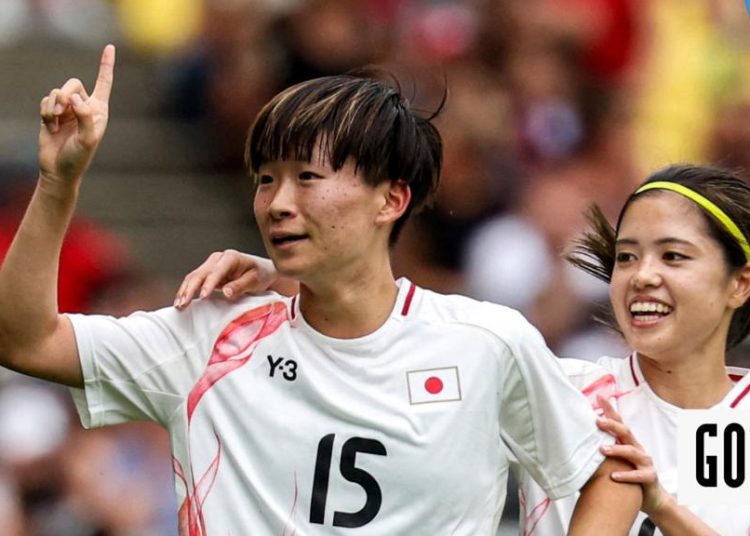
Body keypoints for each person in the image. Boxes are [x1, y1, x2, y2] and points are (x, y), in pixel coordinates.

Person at [0, 45, 640, 534]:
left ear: (391, 198)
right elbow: (25, 340)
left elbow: (609, 471)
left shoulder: (486, 344)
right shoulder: (212, 335)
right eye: (264, 180)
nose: (277, 203)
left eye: (307, 177)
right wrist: (60, 183)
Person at [179, 163, 750, 535]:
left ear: (738, 284)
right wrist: (297, 278)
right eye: (626, 257)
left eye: (673, 257)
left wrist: (663, 508)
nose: (641, 276)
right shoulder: (563, 388)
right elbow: (418, 331)